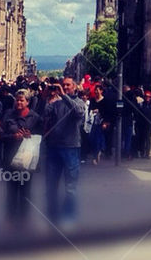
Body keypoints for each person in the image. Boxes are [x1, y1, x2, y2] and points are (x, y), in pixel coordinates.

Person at [42, 77, 85, 229]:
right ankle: (52, 218)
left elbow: (78, 112)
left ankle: (68, 217)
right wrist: (46, 96)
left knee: (70, 187)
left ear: (74, 87)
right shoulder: (56, 103)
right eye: (63, 85)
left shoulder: (79, 102)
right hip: (54, 147)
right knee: (50, 186)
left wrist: (63, 95)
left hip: (71, 148)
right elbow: (44, 116)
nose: (65, 87)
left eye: (68, 85)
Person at [0, 89, 41, 229]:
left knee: (25, 190)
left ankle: (24, 218)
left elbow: (41, 137)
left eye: (22, 100)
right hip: (10, 157)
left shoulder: (35, 117)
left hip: (27, 157)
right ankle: (9, 218)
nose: (19, 102)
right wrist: (12, 137)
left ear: (28, 102)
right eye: (17, 100)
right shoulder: (8, 115)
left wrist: (31, 135)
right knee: (11, 190)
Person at [135, 91, 151, 158]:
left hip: (149, 124)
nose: (147, 98)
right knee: (142, 138)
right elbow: (137, 114)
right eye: (146, 96)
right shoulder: (140, 105)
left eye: (149, 97)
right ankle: (142, 152)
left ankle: (147, 153)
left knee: (148, 138)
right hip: (142, 124)